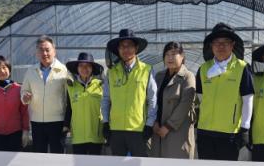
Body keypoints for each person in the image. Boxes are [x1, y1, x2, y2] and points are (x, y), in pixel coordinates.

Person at [196, 23, 254, 161]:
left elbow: (248, 99)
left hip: (229, 133)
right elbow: (201, 97)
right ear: (211, 45)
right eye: (217, 42)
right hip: (205, 131)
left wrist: (245, 128)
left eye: (225, 42)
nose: (221, 46)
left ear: (232, 45)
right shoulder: (203, 69)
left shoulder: (242, 67)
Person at [101, 29, 157, 157]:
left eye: (129, 46)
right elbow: (106, 99)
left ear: (136, 48)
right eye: (122, 46)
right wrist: (105, 122)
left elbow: (152, 100)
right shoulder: (112, 72)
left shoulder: (147, 70)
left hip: (138, 129)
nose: (126, 49)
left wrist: (149, 125)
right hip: (116, 130)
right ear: (118, 49)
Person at [20, 36, 68, 153]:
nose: (44, 53)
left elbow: (69, 97)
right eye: (41, 50)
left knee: (58, 155)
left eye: (47, 50)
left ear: (54, 51)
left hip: (58, 121)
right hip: (36, 122)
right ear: (37, 53)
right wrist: (25, 97)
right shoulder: (31, 71)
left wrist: (68, 122)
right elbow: (24, 90)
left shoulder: (64, 71)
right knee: (39, 155)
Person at [150, 42, 196, 159]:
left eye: (174, 54)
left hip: (177, 131)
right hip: (158, 130)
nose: (170, 58)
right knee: (158, 165)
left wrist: (168, 126)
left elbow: (185, 105)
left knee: (176, 165)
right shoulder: (159, 76)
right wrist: (153, 122)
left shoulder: (188, 76)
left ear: (182, 56)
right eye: (167, 55)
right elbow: (152, 100)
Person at [63, 52, 105, 155]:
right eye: (81, 65)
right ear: (77, 68)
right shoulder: (71, 87)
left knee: (95, 164)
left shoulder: (101, 85)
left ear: (92, 68)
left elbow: (107, 107)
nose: (84, 68)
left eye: (88, 66)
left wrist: (107, 127)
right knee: (79, 165)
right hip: (78, 136)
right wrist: (65, 126)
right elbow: (69, 108)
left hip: (96, 135)